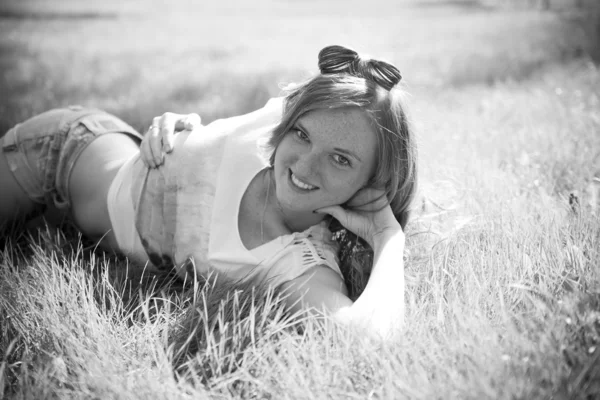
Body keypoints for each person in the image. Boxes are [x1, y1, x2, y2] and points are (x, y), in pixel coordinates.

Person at [0, 45, 417, 337]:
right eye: (302, 135)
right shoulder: (276, 118)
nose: (304, 166)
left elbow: (368, 343)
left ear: (372, 184)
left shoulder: (298, 262)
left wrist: (387, 236)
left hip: (76, 226)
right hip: (62, 152)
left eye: (341, 159)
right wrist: (188, 125)